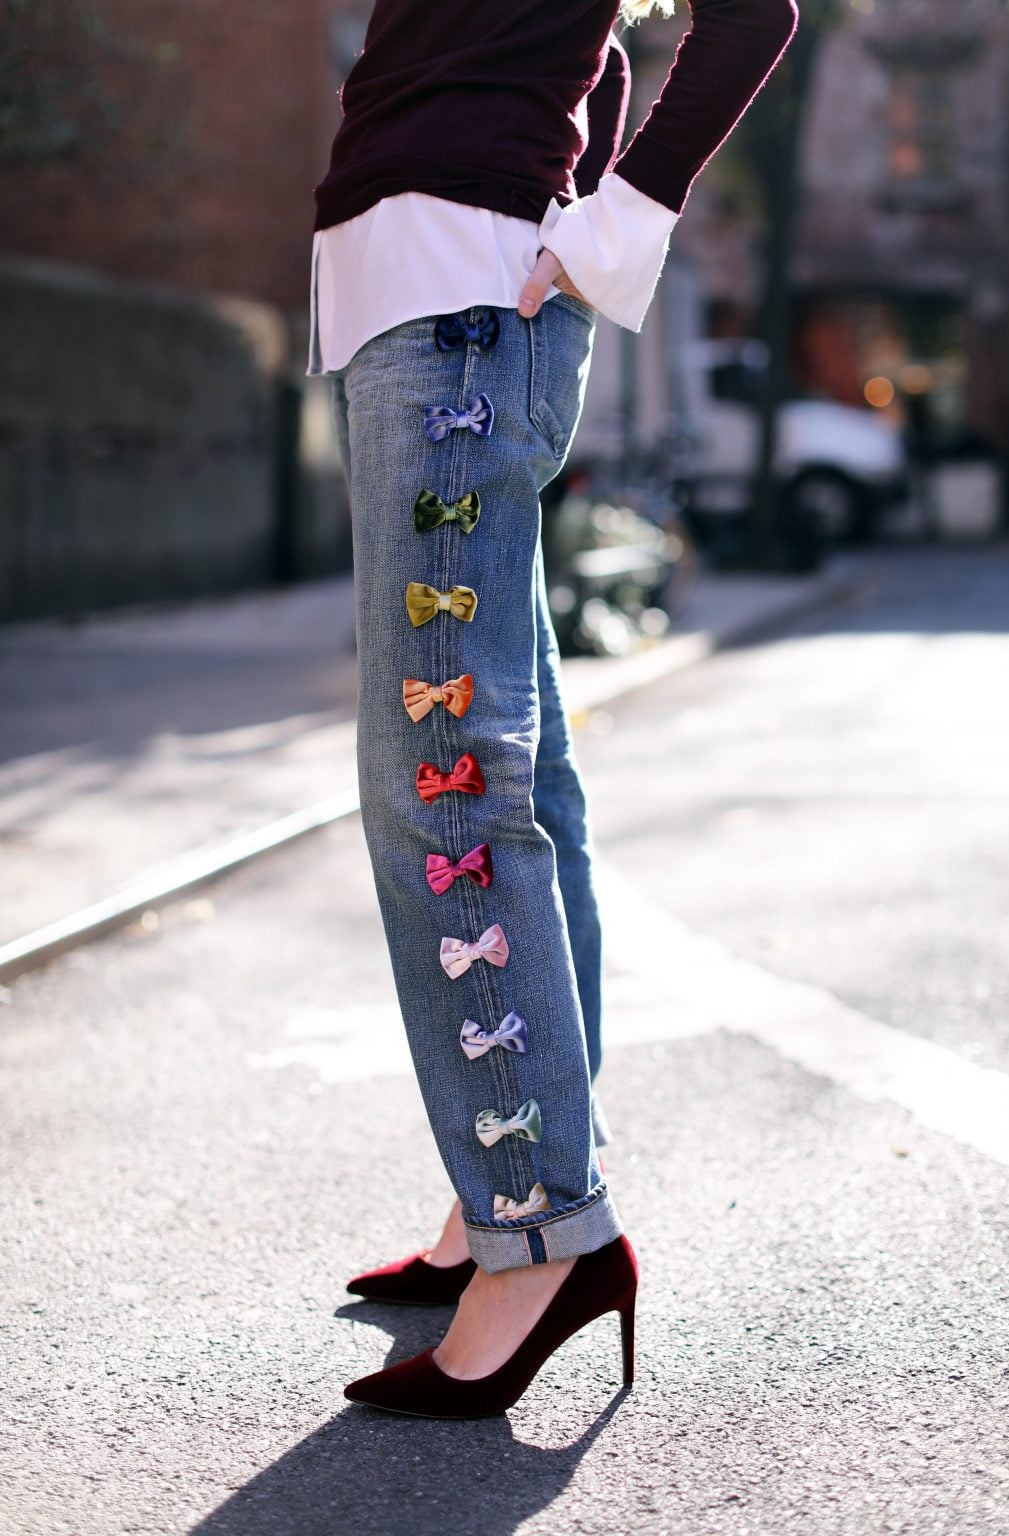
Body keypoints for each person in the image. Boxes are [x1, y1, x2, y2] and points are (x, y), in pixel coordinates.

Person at [308, 0, 798, 1418]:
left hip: (460, 314)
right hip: (433, 304)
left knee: (444, 779)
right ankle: (509, 1195)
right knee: (519, 775)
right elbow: (588, 48)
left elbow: (750, 12)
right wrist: (573, 206)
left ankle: (541, 1228)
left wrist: (607, 226)